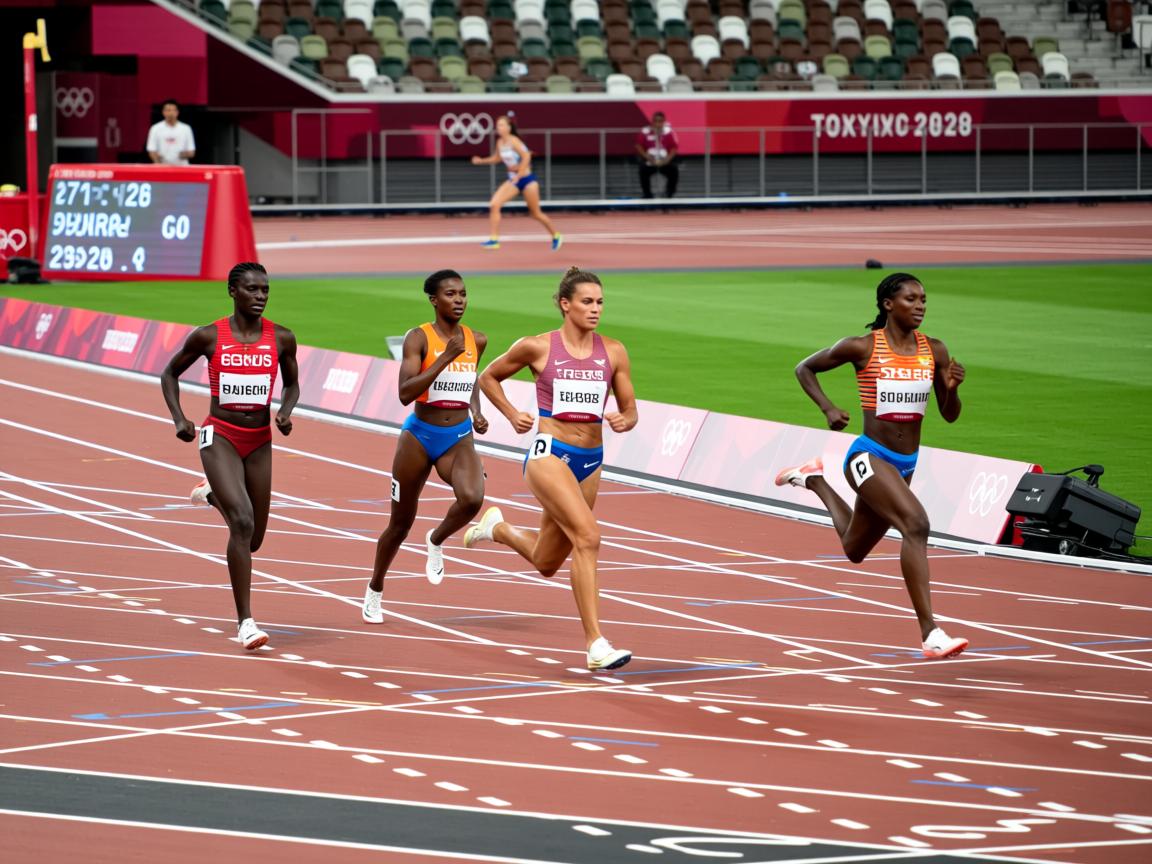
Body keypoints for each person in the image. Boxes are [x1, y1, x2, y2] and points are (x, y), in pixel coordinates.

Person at [775, 272, 969, 660]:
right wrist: (828, 407)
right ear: (887, 304)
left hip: (906, 462)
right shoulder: (862, 347)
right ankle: (930, 632)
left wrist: (951, 389)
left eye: (924, 300)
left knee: (855, 548)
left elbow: (949, 416)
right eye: (911, 299)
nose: (920, 306)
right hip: (868, 456)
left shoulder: (935, 350)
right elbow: (804, 369)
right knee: (916, 524)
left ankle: (814, 480)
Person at [464, 266, 637, 671]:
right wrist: (510, 414)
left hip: (591, 460)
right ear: (565, 304)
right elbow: (489, 377)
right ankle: (595, 644)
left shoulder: (613, 351)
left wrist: (625, 419)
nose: (595, 310)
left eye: (600, 302)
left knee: (547, 561)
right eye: (586, 302)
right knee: (588, 538)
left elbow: (630, 408)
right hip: (549, 455)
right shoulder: (538, 347)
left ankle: (498, 529)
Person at [160, 262, 299, 650]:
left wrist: (285, 412)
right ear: (233, 292)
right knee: (241, 522)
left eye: (266, 290)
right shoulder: (208, 336)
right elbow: (169, 374)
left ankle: (211, 495)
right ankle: (246, 623)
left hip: (259, 439)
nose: (261, 296)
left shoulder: (282, 338)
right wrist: (179, 419)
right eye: (253, 290)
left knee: (253, 539)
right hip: (218, 434)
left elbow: (293, 384)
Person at [362, 270, 489, 623]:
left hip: (458, 436)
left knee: (473, 498)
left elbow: (471, 379)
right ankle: (375, 588)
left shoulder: (476, 339)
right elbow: (405, 393)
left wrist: (476, 411)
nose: (460, 300)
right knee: (399, 525)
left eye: (463, 293)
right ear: (435, 300)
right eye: (451, 294)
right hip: (418, 436)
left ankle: (435, 539)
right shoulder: (418, 338)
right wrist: (445, 357)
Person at [470, 113, 561, 251]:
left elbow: (526, 156)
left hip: (527, 180)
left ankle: (556, 235)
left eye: (501, 125)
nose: (498, 128)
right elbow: (496, 158)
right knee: (494, 204)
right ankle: (494, 240)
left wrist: (519, 173)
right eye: (497, 125)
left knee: (535, 213)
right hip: (513, 180)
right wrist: (481, 160)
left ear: (508, 127)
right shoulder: (500, 142)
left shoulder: (514, 141)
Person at [635, 112, 679, 199]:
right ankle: (647, 195)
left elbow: (674, 148)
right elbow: (638, 146)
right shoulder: (645, 131)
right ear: (652, 121)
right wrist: (647, 157)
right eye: (655, 121)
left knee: (674, 170)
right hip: (650, 160)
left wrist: (667, 159)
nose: (658, 124)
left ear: (663, 122)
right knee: (642, 170)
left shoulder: (669, 132)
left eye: (660, 121)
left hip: (664, 161)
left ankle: (669, 194)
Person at [147, 99, 196, 166]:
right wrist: (158, 164)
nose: (171, 113)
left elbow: (191, 152)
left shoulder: (186, 129)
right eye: (168, 110)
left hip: (182, 167)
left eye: (173, 110)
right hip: (162, 167)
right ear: (163, 112)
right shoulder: (155, 128)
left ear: (177, 112)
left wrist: (179, 155)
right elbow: (151, 150)